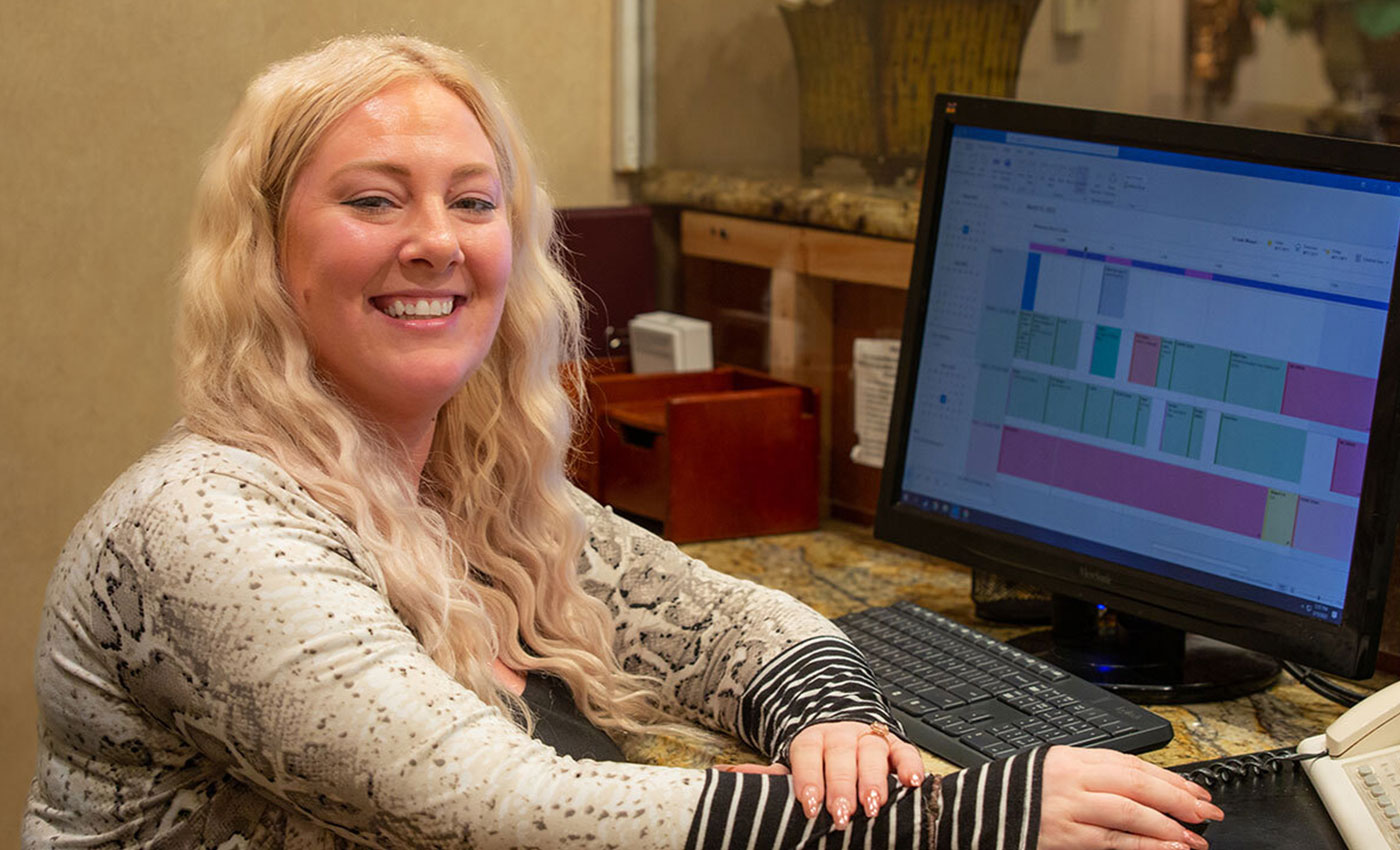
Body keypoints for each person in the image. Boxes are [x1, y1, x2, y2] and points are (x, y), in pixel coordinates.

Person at [24, 35, 1222, 850]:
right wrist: (958, 816)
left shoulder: (456, 479)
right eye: (374, 199)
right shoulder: (204, 525)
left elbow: (726, 621)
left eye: (472, 201)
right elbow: (491, 804)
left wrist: (834, 734)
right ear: (266, 252)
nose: (437, 241)